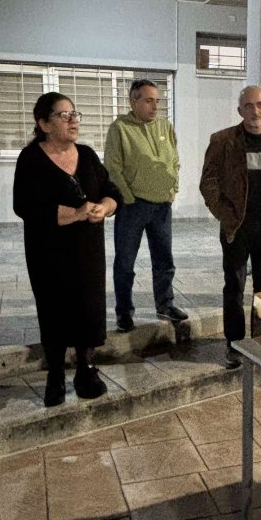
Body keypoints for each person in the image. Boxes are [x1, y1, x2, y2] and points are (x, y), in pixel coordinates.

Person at [13, 92, 122, 407]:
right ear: (44, 123)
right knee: (54, 308)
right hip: (49, 252)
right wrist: (75, 213)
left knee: (89, 307)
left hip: (88, 251)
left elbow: (111, 191)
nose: (73, 120)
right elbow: (24, 206)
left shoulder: (86, 155)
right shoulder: (31, 159)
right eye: (64, 115)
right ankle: (56, 374)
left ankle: (86, 369)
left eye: (75, 114)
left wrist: (104, 207)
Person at [200, 85, 261, 369]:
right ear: (240, 110)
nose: (255, 111)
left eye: (260, 105)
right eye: (249, 106)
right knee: (234, 285)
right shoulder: (222, 140)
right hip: (236, 228)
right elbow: (208, 182)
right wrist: (224, 214)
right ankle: (234, 343)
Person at [105, 79, 188, 332]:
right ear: (134, 101)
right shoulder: (120, 128)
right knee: (125, 263)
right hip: (133, 207)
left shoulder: (165, 127)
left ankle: (165, 305)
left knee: (164, 260)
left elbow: (174, 161)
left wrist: (172, 190)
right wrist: (127, 198)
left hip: (162, 206)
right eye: (149, 100)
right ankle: (124, 313)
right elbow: (113, 167)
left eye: (157, 101)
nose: (155, 106)